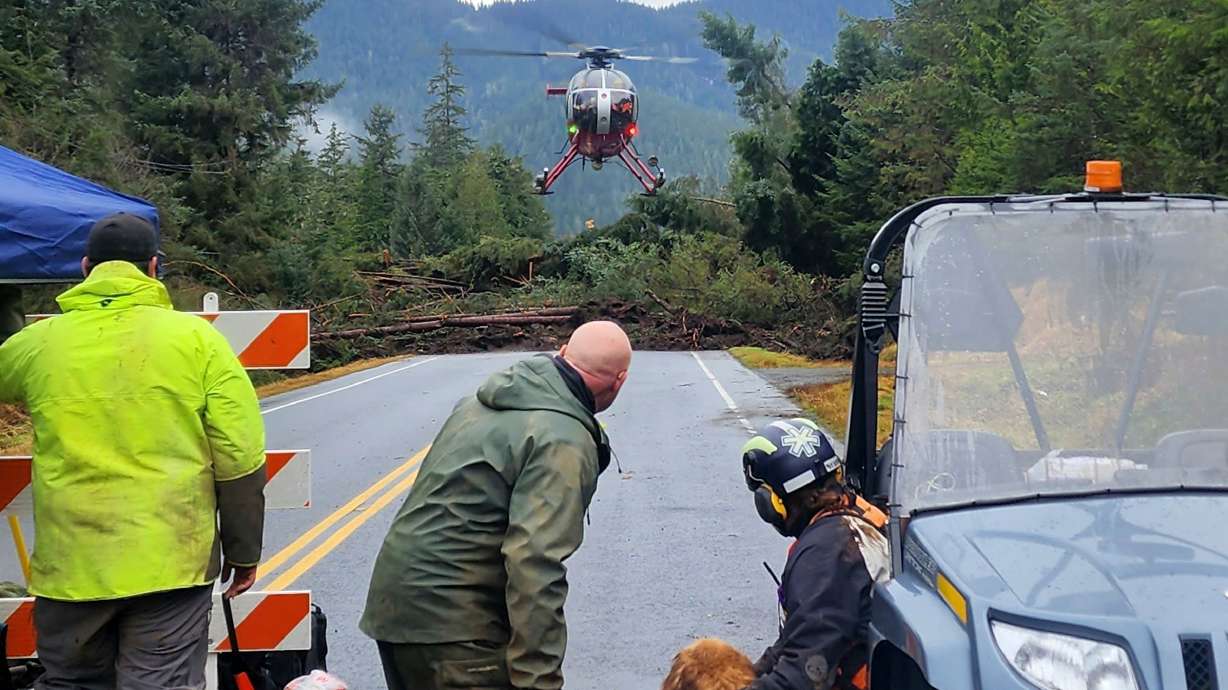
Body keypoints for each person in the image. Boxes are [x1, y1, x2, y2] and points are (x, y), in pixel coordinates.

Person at [0, 213, 267, 690]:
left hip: (71, 564)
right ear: (153, 268)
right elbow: (239, 453)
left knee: (72, 684)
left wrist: (7, 304)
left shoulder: (37, 344)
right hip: (171, 560)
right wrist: (243, 551)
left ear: (85, 268)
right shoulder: (198, 341)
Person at [360, 321, 633, 690]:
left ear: (563, 352)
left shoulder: (477, 403)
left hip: (397, 610)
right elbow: (535, 562)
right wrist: (538, 680)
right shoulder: (562, 440)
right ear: (619, 381)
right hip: (456, 626)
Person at [740, 418, 889, 690]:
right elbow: (798, 636)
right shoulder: (854, 516)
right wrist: (748, 676)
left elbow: (804, 673)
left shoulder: (828, 555)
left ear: (774, 502)